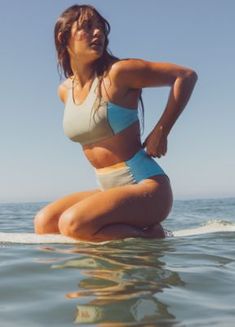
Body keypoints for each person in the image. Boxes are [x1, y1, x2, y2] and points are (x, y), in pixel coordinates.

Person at [34, 4, 197, 242]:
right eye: (87, 27)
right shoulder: (64, 91)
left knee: (73, 223)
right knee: (44, 223)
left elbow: (185, 76)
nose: (98, 33)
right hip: (109, 189)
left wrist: (161, 130)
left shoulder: (119, 72)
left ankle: (153, 236)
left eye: (101, 28)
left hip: (147, 186)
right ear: (64, 37)